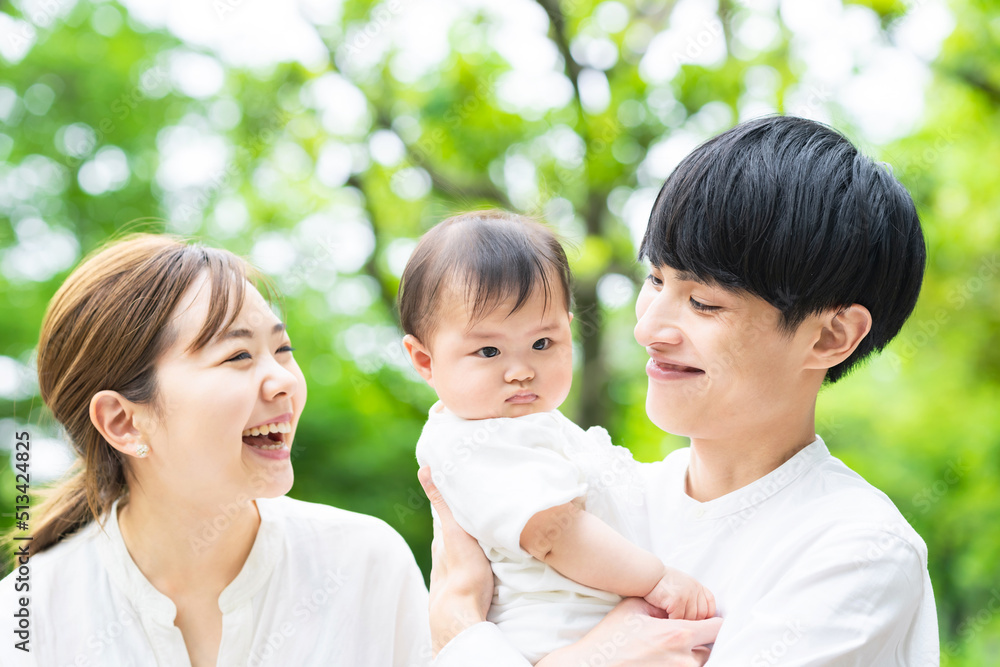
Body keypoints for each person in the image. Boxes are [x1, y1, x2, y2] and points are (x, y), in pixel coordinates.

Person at [421, 115, 939, 665]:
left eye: (703, 303)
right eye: (656, 279)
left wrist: (460, 629)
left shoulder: (856, 549)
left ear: (831, 336)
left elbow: (461, 620)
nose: (647, 328)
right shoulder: (607, 492)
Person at [0, 234, 430, 667]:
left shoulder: (365, 566)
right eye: (238, 355)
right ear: (123, 422)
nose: (285, 380)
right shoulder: (28, 619)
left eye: (283, 349)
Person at [398, 212, 715, 663]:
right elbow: (554, 533)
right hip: (548, 638)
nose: (521, 370)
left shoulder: (527, 425)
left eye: (542, 344)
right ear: (425, 360)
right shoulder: (474, 441)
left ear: (568, 328)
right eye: (488, 350)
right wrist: (657, 579)